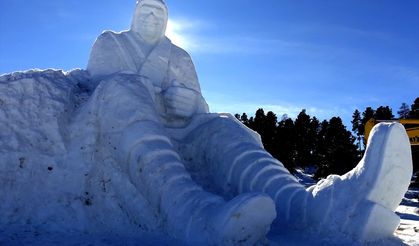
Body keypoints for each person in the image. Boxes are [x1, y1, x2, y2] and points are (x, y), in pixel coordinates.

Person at [85, 0, 413, 244]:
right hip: (132, 131)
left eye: (159, 11)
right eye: (146, 9)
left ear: (167, 20)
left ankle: (313, 209)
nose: (152, 15)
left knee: (226, 127)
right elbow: (101, 86)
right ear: (133, 14)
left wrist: (192, 102)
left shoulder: (179, 56)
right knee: (121, 90)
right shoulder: (110, 43)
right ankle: (195, 214)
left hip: (185, 131)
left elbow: (200, 104)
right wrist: (154, 97)